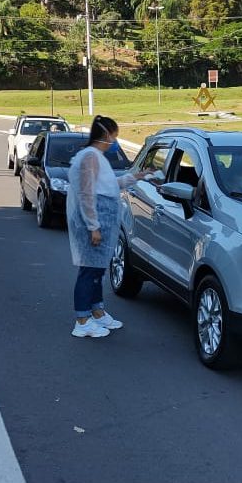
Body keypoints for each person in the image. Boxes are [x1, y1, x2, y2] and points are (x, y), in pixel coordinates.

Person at [66, 116, 151, 338]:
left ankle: (97, 311)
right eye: (114, 136)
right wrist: (93, 226)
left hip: (103, 221)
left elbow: (111, 184)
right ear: (106, 135)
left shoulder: (97, 157)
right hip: (94, 223)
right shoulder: (90, 157)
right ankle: (82, 320)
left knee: (98, 271)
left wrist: (137, 177)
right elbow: (86, 193)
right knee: (89, 271)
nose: (115, 140)